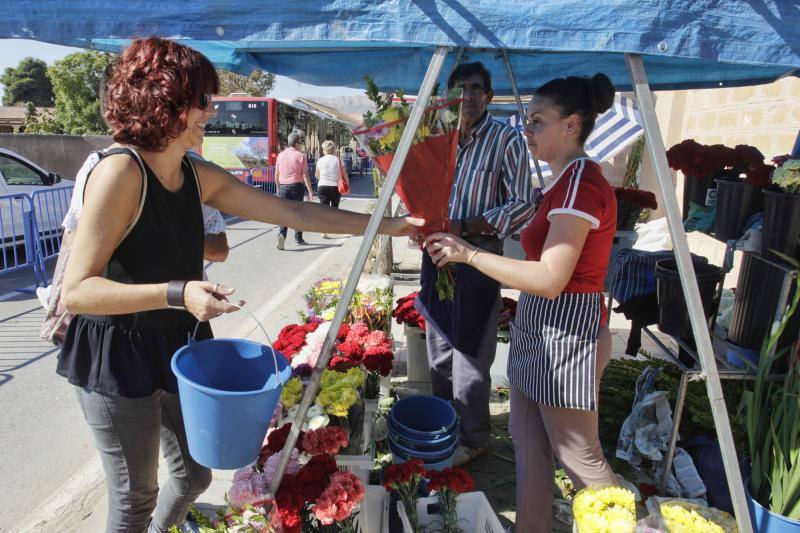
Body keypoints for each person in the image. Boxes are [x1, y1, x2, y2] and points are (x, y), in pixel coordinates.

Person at [58, 37, 420, 533]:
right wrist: (177, 293)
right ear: (168, 102)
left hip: (177, 346)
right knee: (134, 495)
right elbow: (77, 291)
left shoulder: (194, 174)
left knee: (191, 477)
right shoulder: (121, 171)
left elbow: (292, 211)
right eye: (203, 100)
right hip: (116, 354)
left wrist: (385, 224)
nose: (211, 111)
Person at [426, 73, 619, 532]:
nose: (526, 131)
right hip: (541, 334)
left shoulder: (580, 186)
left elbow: (552, 279)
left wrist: (470, 253)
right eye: (526, 121)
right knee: (528, 442)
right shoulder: (560, 184)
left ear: (572, 124)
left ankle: (624, 525)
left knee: (580, 458)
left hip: (567, 339)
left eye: (536, 122)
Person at [415, 62, 535, 467]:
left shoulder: (506, 139)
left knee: (470, 353)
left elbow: (523, 204)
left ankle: (474, 437)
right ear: (447, 96)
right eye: (459, 88)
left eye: (475, 88)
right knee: (438, 347)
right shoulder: (434, 137)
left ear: (488, 95)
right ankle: (442, 425)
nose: (466, 96)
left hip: (479, 256)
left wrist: (465, 226)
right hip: (434, 254)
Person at [274, 132, 314, 249]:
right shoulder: (300, 156)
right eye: (300, 143)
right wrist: (310, 191)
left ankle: (281, 235)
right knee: (298, 212)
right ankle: (298, 238)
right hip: (297, 186)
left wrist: (278, 188)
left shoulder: (280, 155)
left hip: (283, 187)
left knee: (284, 213)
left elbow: (277, 174)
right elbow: (305, 175)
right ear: (296, 144)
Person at [315, 140, 348, 238]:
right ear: (333, 150)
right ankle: (334, 228)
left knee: (324, 210)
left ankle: (323, 231)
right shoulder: (338, 160)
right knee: (334, 209)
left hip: (323, 186)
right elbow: (345, 174)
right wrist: (347, 186)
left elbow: (317, 175)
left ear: (324, 150)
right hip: (335, 187)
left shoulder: (320, 160)